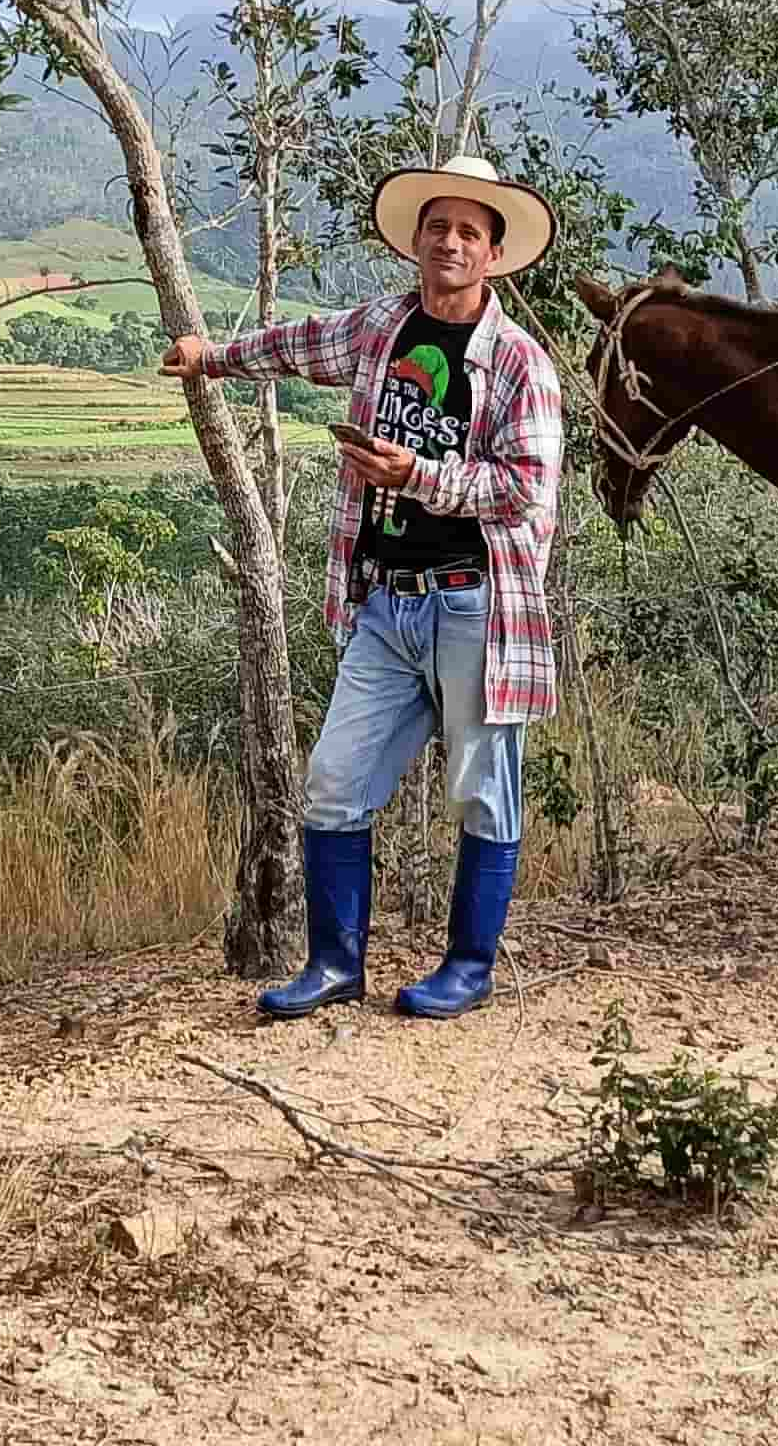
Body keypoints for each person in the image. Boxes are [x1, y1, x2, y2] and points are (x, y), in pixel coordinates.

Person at [162, 154, 564, 1019]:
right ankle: (337, 965)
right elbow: (298, 344)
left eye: (469, 232)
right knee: (334, 781)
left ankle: (468, 967)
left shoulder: (522, 364)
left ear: (492, 254)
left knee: (484, 790)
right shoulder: (383, 327)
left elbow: (526, 488)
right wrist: (211, 357)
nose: (450, 242)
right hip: (385, 601)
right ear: (416, 242)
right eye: (438, 227)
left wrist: (415, 472)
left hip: (478, 604)